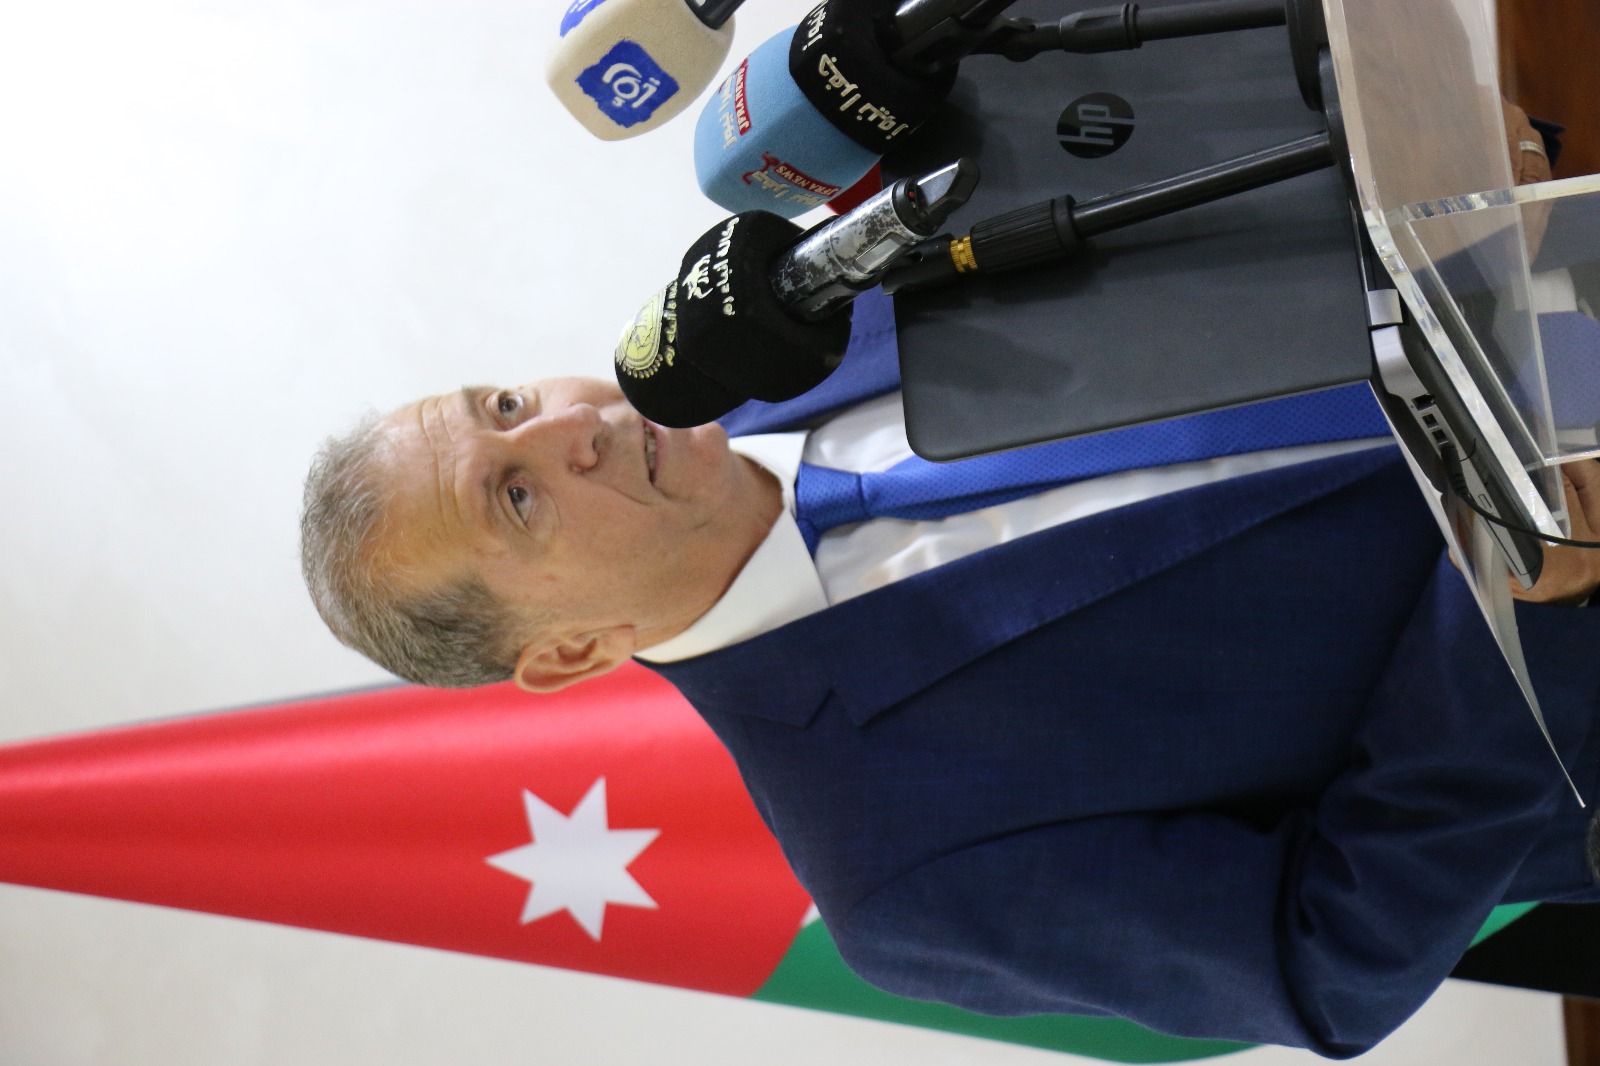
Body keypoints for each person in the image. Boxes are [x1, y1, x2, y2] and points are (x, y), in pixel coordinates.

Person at [301, 270, 1600, 1056]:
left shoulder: (827, 306)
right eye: (517, 496)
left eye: (507, 404)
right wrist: (1517, 599)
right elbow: (1330, 956)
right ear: (572, 652)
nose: (573, 426)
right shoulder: (892, 871)